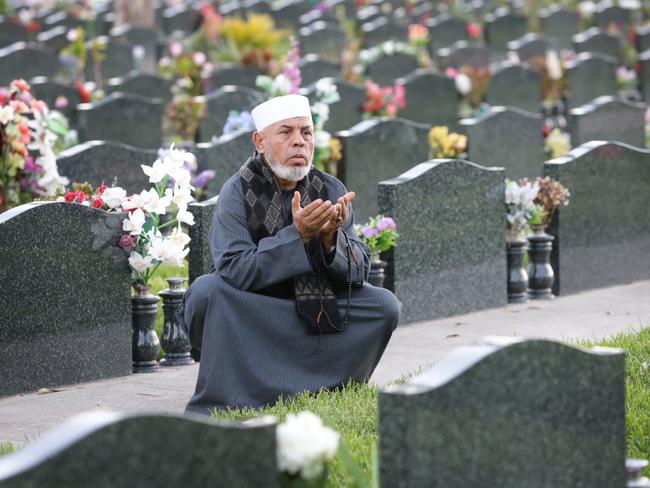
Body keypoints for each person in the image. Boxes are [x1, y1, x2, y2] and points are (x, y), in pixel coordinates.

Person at [178, 94, 401, 415]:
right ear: (260, 141)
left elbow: (358, 273)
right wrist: (296, 236)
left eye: (306, 133)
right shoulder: (236, 192)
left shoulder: (331, 189)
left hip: (313, 308)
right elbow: (235, 268)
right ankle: (234, 391)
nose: (299, 142)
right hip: (254, 311)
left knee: (383, 305)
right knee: (207, 292)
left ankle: (327, 386)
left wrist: (330, 239)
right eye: (286, 132)